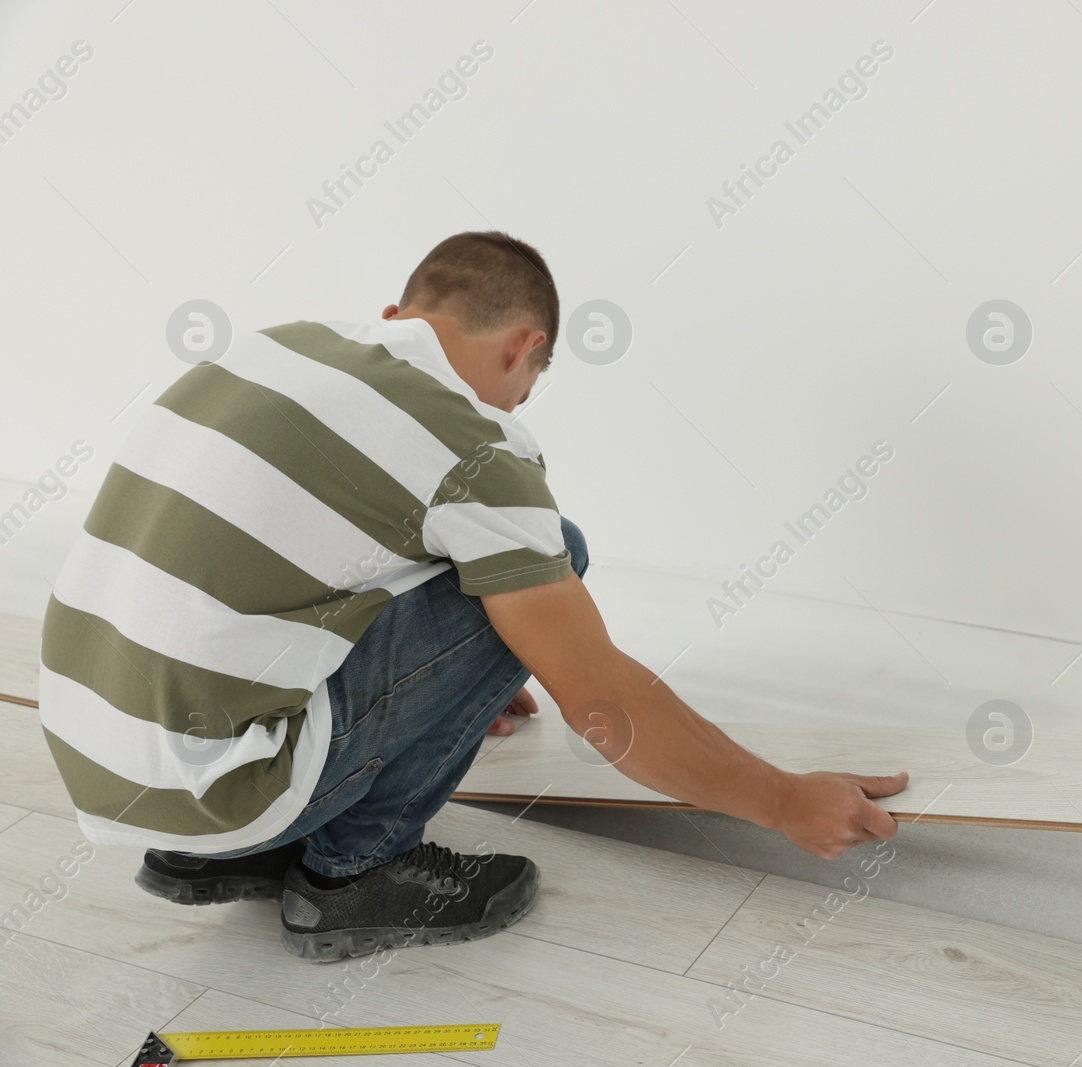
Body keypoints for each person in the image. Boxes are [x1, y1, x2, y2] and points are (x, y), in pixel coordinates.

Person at [38, 230, 909, 961]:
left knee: (482, 576)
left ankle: (205, 857)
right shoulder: (480, 447)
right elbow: (601, 699)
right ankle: (351, 875)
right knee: (550, 553)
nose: (522, 399)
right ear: (524, 347)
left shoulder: (274, 347)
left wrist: (441, 687)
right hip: (226, 793)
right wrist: (782, 799)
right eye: (532, 380)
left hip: (105, 765)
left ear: (401, 317)